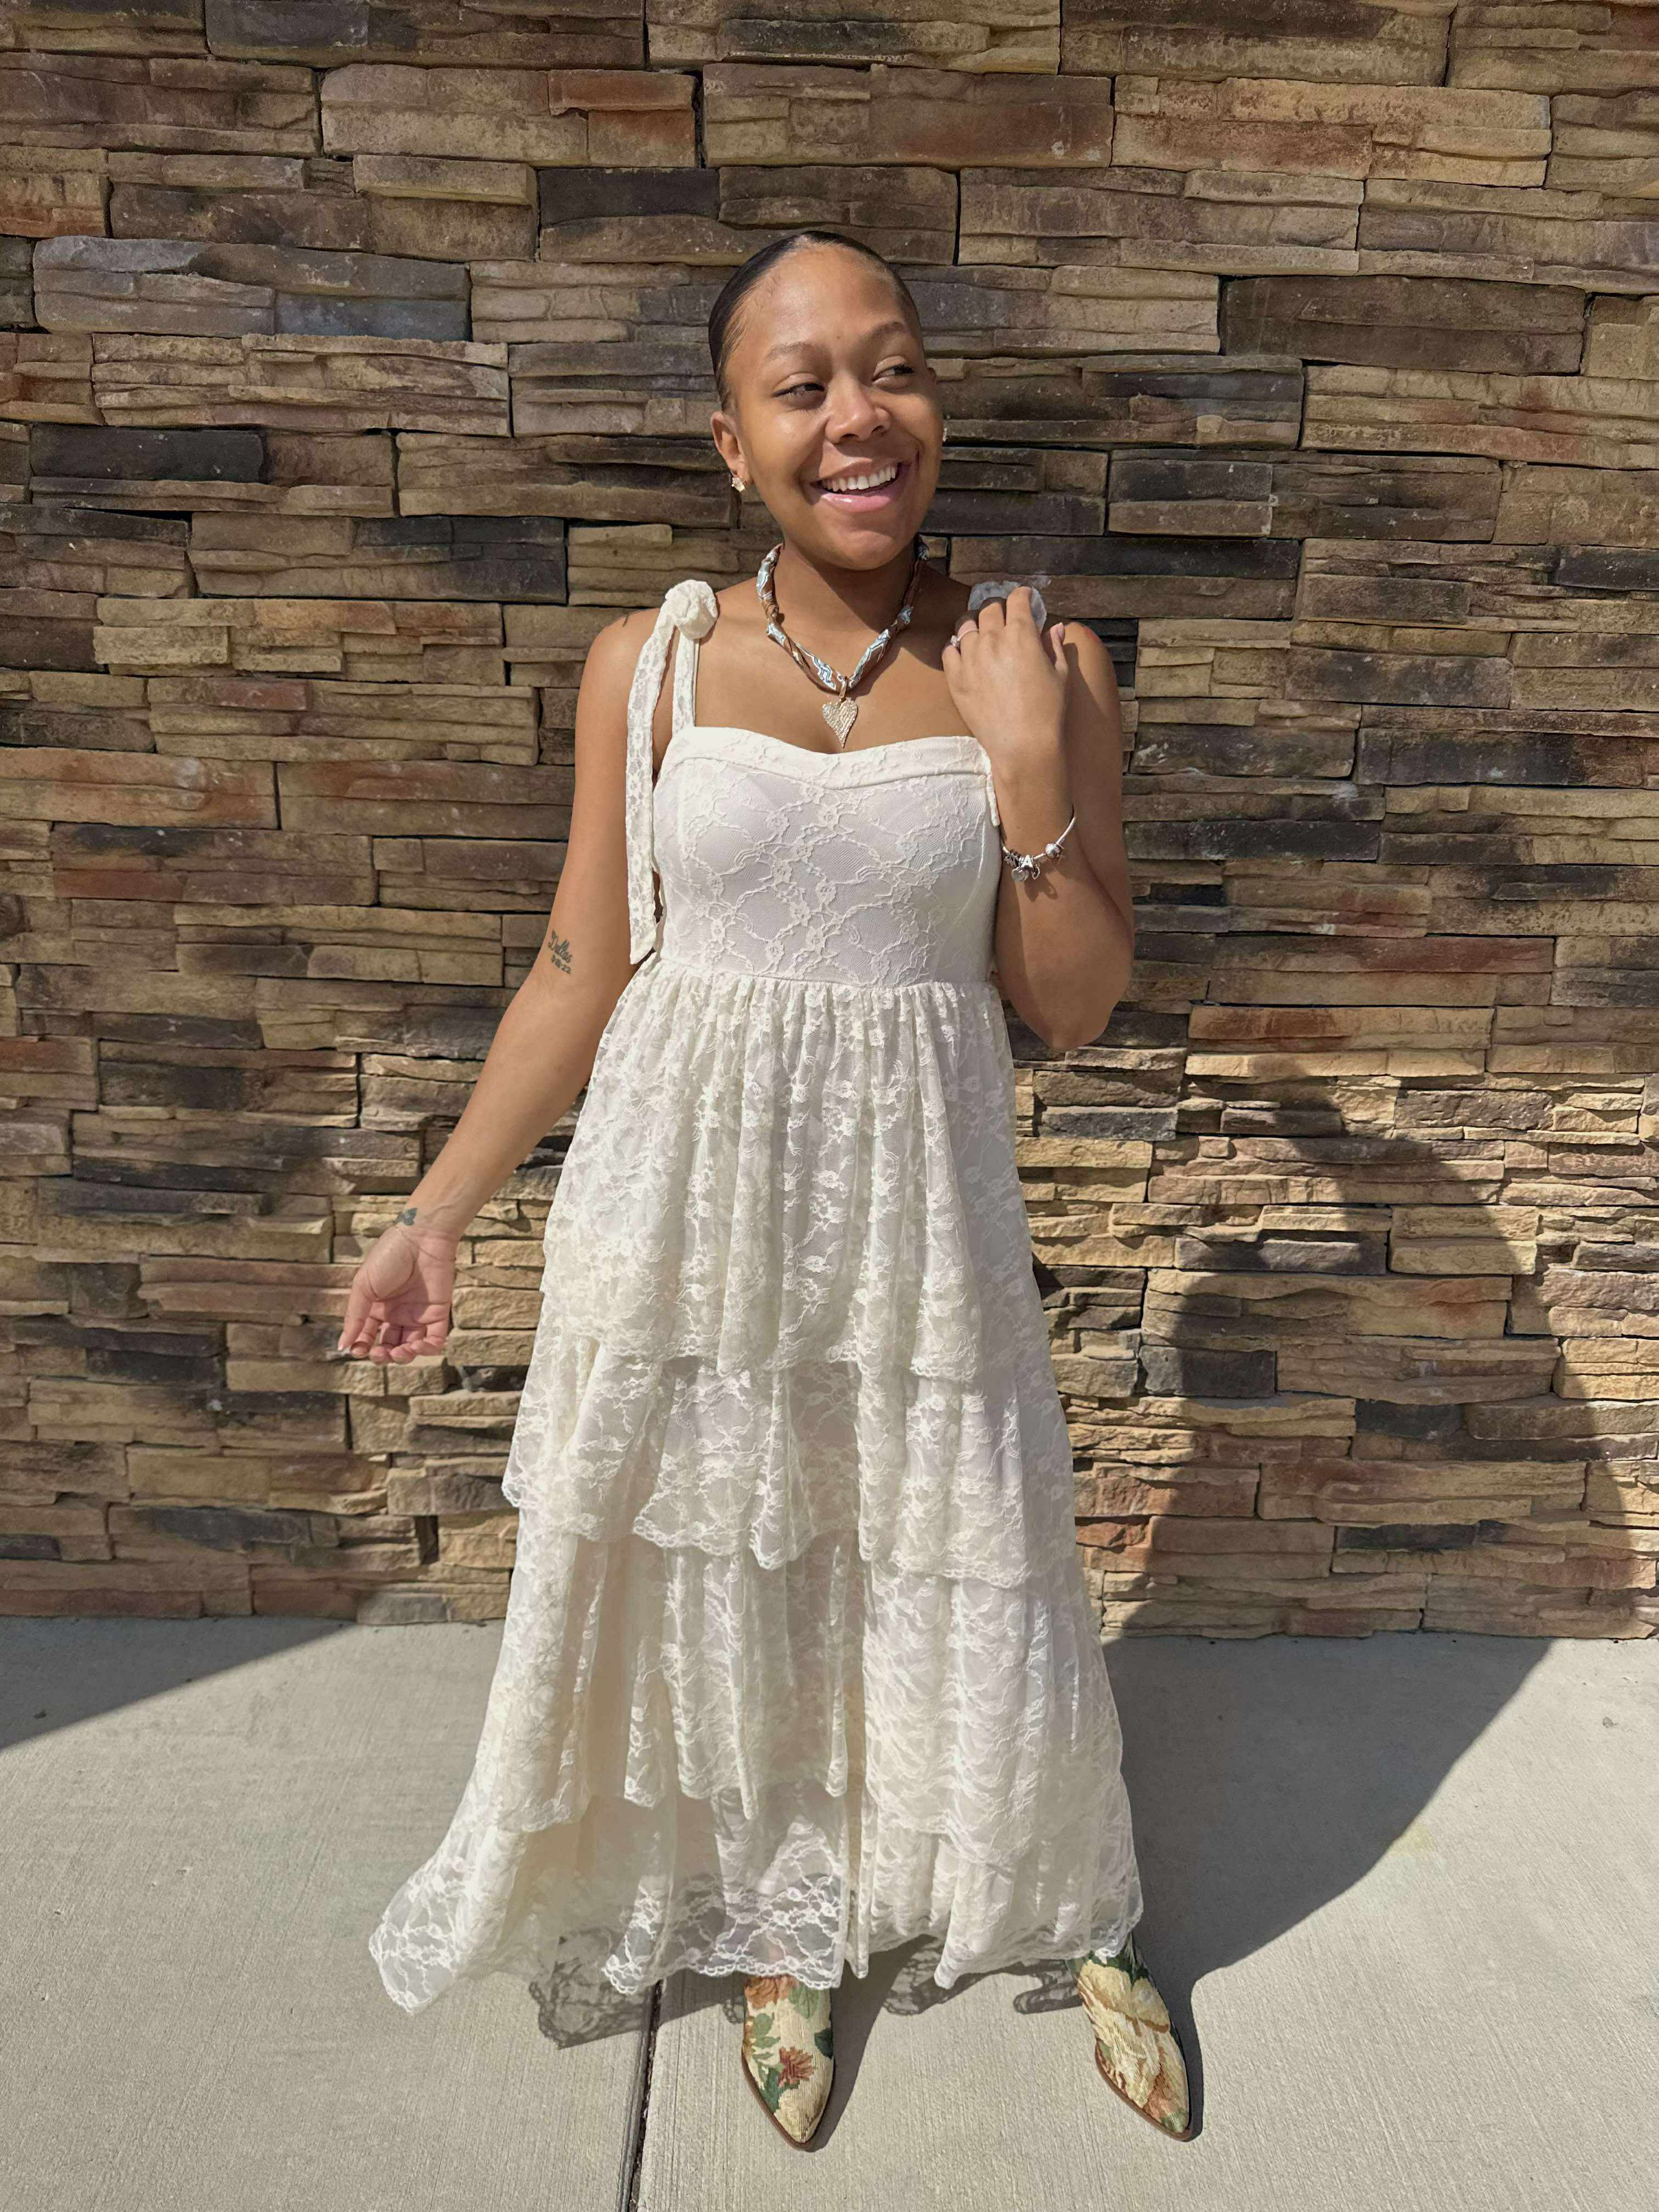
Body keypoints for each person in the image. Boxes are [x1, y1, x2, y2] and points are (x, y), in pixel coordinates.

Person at [337, 225, 1192, 2148]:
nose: (858, 416)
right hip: (689, 1210)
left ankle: (1067, 1894)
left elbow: (1068, 1004)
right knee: (738, 1560)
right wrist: (436, 1209)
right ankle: (783, 1912)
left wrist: (1029, 766)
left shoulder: (1037, 663)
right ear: (734, 442)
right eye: (803, 386)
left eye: (893, 369)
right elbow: (582, 963)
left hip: (916, 1218)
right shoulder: (648, 664)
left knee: (957, 1539)